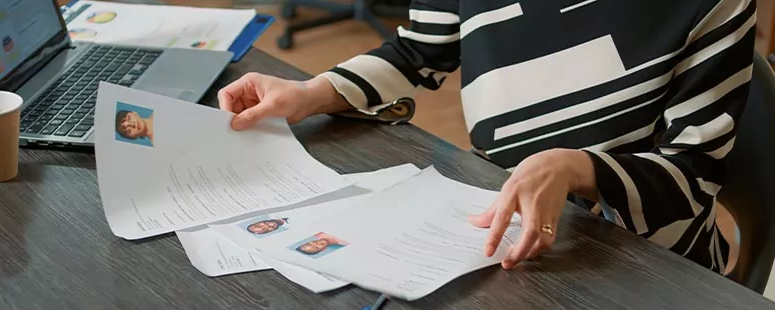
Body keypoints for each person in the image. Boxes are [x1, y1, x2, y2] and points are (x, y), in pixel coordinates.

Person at [219, 0, 756, 273]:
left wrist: (575, 168)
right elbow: (419, 51)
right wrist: (311, 92)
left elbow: (693, 174)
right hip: (495, 232)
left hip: (646, 265)